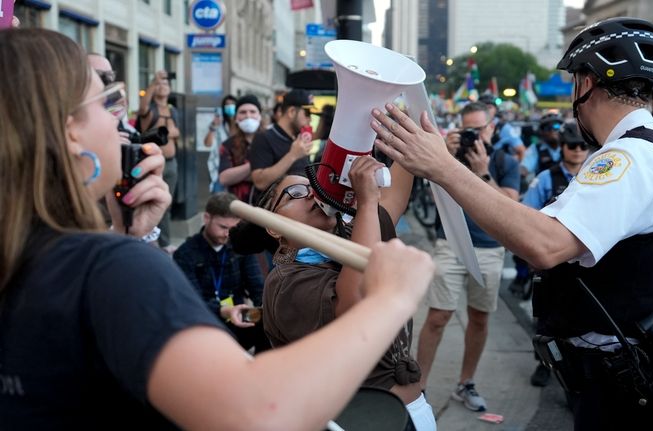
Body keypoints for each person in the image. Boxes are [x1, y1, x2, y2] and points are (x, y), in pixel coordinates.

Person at [0, 28, 436, 430]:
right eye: (108, 102)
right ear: (69, 131)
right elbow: (252, 411)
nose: (122, 122)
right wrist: (392, 296)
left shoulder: (46, 254)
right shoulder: (106, 268)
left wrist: (133, 236)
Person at [373, 17, 653, 430]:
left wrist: (443, 167)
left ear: (585, 83)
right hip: (647, 376)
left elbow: (545, 244)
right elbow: (538, 223)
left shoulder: (631, 156)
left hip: (631, 390)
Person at [246, 153, 436, 430]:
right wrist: (368, 203)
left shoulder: (353, 232)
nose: (311, 194)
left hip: (414, 411)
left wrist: (410, 137)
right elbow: (360, 304)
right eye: (294, 194)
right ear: (274, 229)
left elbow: (393, 200)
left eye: (313, 188)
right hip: (359, 421)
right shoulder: (283, 283)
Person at [416, 102, 519, 413]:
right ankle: (417, 389)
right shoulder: (448, 156)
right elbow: (422, 182)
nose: (472, 137)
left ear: (491, 127)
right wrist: (443, 154)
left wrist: (483, 172)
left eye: (478, 129)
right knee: (437, 316)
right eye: (466, 130)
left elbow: (512, 208)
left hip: (489, 247)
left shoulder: (503, 161)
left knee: (479, 317)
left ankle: (467, 382)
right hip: (450, 241)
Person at [522, 123, 589, 388]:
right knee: (546, 321)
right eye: (572, 146)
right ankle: (543, 364)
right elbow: (527, 214)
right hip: (552, 262)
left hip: (583, 262)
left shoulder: (596, 174)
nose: (577, 151)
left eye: (582, 146)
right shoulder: (546, 178)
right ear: (562, 147)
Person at [173, 192, 270, 353]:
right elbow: (191, 301)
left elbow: (257, 286)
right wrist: (223, 310)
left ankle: (260, 371)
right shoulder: (185, 254)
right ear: (206, 218)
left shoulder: (240, 248)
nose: (227, 234)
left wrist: (264, 309)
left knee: (269, 325)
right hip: (204, 321)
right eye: (223, 227)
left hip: (237, 316)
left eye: (233, 229)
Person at [136, 70, 181, 249]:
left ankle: (163, 242)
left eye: (166, 84)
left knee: (167, 205)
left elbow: (177, 132)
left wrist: (168, 131)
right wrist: (154, 81)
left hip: (172, 162)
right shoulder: (150, 109)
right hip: (153, 162)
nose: (163, 86)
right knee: (155, 203)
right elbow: (141, 109)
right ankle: (161, 243)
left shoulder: (172, 110)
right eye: (159, 84)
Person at [249, 89, 314, 194]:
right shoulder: (264, 138)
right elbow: (260, 182)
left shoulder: (297, 139)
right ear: (292, 112)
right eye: (307, 113)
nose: (309, 119)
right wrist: (292, 156)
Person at [218, 94, 262, 203]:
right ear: (236, 118)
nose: (248, 116)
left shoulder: (271, 141)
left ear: (259, 116)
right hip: (238, 207)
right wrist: (256, 165)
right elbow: (224, 178)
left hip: (268, 207)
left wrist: (239, 175)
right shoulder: (228, 145)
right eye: (243, 112)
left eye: (252, 111)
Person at [205, 94, 237, 193]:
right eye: (227, 105)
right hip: (220, 169)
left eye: (232, 104)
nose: (230, 106)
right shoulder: (219, 125)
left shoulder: (241, 125)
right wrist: (213, 126)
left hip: (237, 168)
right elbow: (208, 144)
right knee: (218, 200)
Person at [520, 113, 564, 178]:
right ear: (541, 131)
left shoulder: (570, 146)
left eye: (556, 126)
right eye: (547, 128)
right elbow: (525, 167)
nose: (552, 131)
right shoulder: (536, 148)